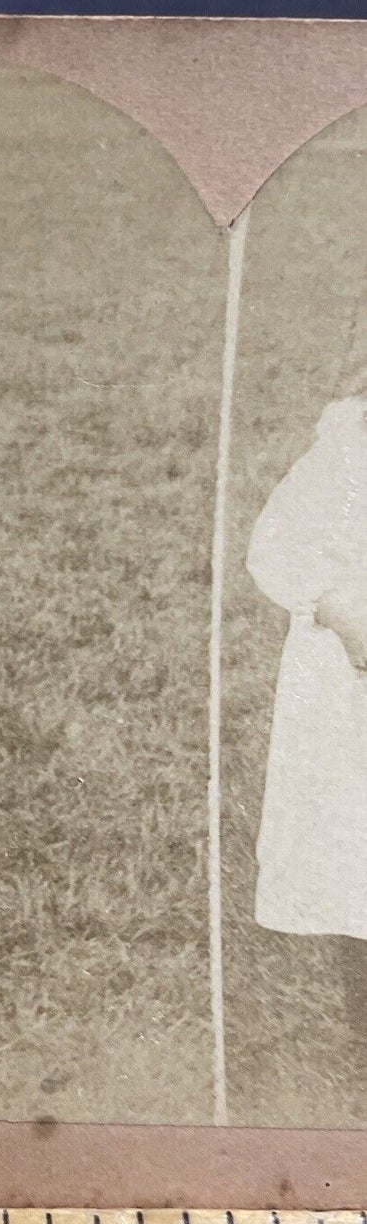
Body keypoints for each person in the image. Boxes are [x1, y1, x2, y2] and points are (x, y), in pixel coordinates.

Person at [246, 361, 367, 1055]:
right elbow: (277, 545)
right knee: (355, 854)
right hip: (352, 690)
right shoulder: (347, 448)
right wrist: (341, 612)